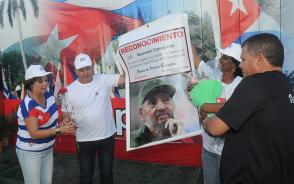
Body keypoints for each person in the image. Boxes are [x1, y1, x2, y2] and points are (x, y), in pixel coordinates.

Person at [202, 33, 294, 183]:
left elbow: (215, 128)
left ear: (259, 59)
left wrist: (205, 120)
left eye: (243, 59)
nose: (240, 65)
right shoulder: (285, 86)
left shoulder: (255, 83)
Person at [62, 53, 125, 184]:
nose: (86, 72)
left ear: (92, 67)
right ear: (75, 71)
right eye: (81, 70)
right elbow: (66, 113)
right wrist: (67, 120)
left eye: (88, 68)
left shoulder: (103, 79)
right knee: (85, 175)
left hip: (106, 137)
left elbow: (124, 79)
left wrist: (124, 60)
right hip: (84, 140)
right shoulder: (69, 90)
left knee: (107, 173)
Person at [192, 43, 243, 184]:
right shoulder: (214, 77)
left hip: (227, 152)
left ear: (234, 66)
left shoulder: (240, 84)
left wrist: (207, 107)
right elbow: (196, 59)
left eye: (226, 58)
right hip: (208, 149)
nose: (220, 59)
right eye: (222, 56)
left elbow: (234, 107)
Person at [16, 65, 75, 184]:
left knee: (47, 182)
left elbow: (52, 119)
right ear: (31, 84)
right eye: (40, 81)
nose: (45, 84)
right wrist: (59, 130)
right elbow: (35, 134)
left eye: (46, 80)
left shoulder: (48, 95)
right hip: (30, 152)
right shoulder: (28, 105)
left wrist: (62, 122)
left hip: (47, 149)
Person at [130, 78, 186, 147]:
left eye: (166, 100)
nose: (161, 107)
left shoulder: (184, 134)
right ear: (142, 113)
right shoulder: (131, 142)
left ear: (173, 104)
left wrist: (181, 138)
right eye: (152, 103)